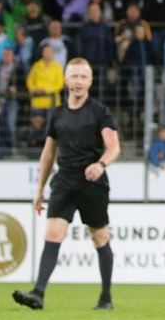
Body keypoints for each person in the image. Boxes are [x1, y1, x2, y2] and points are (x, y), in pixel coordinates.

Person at [13, 58, 120, 311]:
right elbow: (48, 154)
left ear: (91, 81)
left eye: (83, 76)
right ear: (66, 79)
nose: (79, 81)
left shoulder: (100, 112)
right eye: (74, 76)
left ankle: (105, 298)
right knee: (52, 234)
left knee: (100, 237)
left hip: (93, 184)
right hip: (64, 182)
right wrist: (39, 190)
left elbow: (114, 147)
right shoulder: (58, 114)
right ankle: (38, 293)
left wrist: (101, 165)